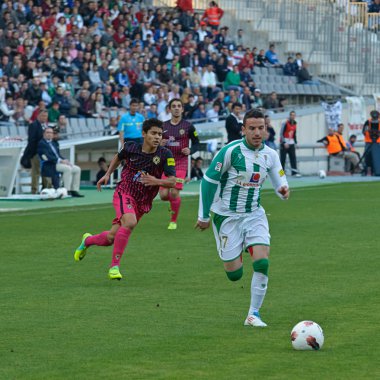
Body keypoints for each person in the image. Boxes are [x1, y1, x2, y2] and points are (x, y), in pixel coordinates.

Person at [195, 108, 290, 327]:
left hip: (254, 214)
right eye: (252, 128)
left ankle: (253, 314)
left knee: (262, 261)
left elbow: (280, 184)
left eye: (261, 128)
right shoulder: (231, 151)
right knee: (234, 275)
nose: (257, 132)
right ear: (243, 129)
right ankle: (241, 249)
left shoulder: (271, 155)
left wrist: (284, 191)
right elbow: (208, 181)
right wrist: (203, 215)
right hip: (226, 217)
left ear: (266, 129)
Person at [73, 119, 176, 280]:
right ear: (144, 134)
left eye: (159, 134)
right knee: (130, 222)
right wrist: (108, 174)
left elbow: (172, 181)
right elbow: (118, 157)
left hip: (143, 202)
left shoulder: (165, 154)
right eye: (153, 133)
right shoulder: (131, 147)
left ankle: (87, 241)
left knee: (110, 238)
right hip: (125, 192)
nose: (157, 137)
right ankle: (114, 267)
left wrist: (155, 181)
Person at [159, 98, 200, 230]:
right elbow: (153, 144)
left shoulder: (188, 126)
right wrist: (159, 144)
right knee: (164, 195)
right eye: (173, 106)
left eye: (179, 106)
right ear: (169, 109)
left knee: (175, 192)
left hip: (181, 163)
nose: (176, 108)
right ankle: (173, 205)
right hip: (166, 163)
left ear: (182, 109)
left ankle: (173, 221)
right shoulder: (163, 126)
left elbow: (197, 143)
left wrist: (190, 150)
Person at [38, 126, 84, 197]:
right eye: (47, 132)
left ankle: (74, 190)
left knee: (77, 169)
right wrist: (60, 161)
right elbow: (48, 156)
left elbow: (58, 155)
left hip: (59, 163)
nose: (49, 134)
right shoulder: (41, 143)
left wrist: (65, 160)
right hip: (50, 164)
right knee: (67, 169)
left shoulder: (54, 143)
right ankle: (66, 190)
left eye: (51, 133)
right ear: (44, 134)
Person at [23, 110, 49, 194]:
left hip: (46, 153)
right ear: (38, 116)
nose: (44, 118)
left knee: (45, 171)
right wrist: (34, 153)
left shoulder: (46, 126)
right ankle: (34, 190)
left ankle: (46, 189)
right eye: (43, 116)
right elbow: (32, 141)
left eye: (45, 116)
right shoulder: (33, 125)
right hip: (36, 152)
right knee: (36, 172)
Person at [280, 111, 301, 177]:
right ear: (289, 116)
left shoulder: (295, 123)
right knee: (282, 159)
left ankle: (294, 172)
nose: (293, 116)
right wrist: (284, 142)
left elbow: (294, 134)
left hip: (291, 143)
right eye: (291, 115)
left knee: (293, 158)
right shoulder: (285, 123)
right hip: (284, 143)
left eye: (294, 115)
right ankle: (281, 174)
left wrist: (296, 143)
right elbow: (281, 133)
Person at [362, 110, 380, 176]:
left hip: (377, 143)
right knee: (367, 157)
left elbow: (363, 132)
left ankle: (376, 171)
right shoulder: (368, 122)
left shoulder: (368, 122)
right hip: (369, 142)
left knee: (376, 158)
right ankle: (367, 171)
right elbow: (364, 131)